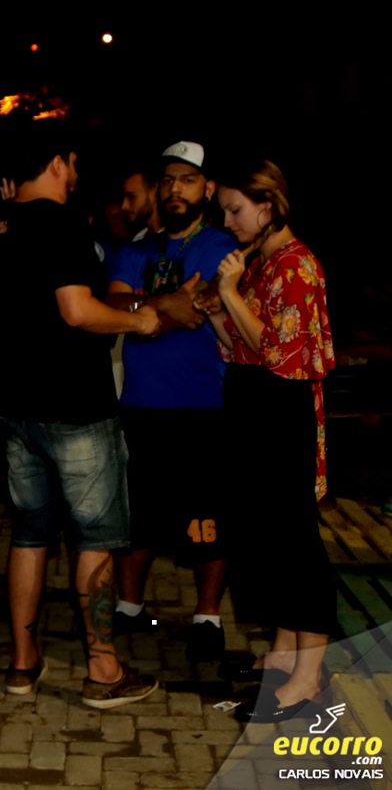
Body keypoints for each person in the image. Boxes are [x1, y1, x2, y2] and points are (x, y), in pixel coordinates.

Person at [0, 125, 162, 708]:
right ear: (58, 163)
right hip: (75, 407)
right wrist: (139, 321)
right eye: (73, 163)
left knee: (29, 535)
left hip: (16, 407)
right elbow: (77, 311)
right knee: (95, 538)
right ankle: (103, 669)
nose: (76, 174)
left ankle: (22, 662)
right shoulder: (62, 224)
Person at [201, 160, 335, 723]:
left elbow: (279, 354)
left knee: (297, 543)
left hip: (281, 412)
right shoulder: (263, 261)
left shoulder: (297, 264)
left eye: (236, 210)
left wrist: (229, 292)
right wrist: (217, 309)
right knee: (272, 540)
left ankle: (308, 679)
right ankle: (283, 655)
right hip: (256, 406)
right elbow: (241, 347)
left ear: (269, 204)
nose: (228, 222)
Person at [106, 141, 237, 660]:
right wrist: (166, 303)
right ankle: (129, 606)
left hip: (207, 403)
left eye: (187, 179)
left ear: (207, 188)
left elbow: (211, 305)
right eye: (167, 180)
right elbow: (112, 303)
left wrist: (151, 312)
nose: (175, 189)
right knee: (138, 510)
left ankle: (207, 616)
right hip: (143, 403)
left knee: (206, 513)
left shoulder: (224, 246)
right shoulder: (136, 249)